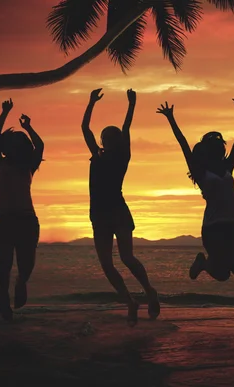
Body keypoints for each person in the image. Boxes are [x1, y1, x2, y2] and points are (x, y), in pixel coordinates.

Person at [82, 88, 160, 326]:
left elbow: (127, 129)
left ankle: (149, 291)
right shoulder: (96, 155)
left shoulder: (122, 158)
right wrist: (91, 102)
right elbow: (85, 129)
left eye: (109, 137)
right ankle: (130, 302)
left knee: (127, 257)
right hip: (99, 214)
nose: (105, 139)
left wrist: (132, 105)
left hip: (117, 211)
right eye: (104, 136)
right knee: (106, 264)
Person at [157, 99, 234, 282]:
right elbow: (183, 144)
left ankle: (207, 263)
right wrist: (170, 118)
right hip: (213, 227)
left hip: (232, 224)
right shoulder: (200, 172)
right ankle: (203, 263)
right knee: (222, 275)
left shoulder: (227, 167)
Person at [0, 98, 43, 321]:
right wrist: (4, 113)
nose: (13, 146)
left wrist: (28, 127)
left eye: (17, 143)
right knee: (4, 264)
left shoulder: (28, 166)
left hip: (26, 220)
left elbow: (39, 146)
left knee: (27, 263)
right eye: (10, 143)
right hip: (3, 219)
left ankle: (21, 283)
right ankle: (3, 292)